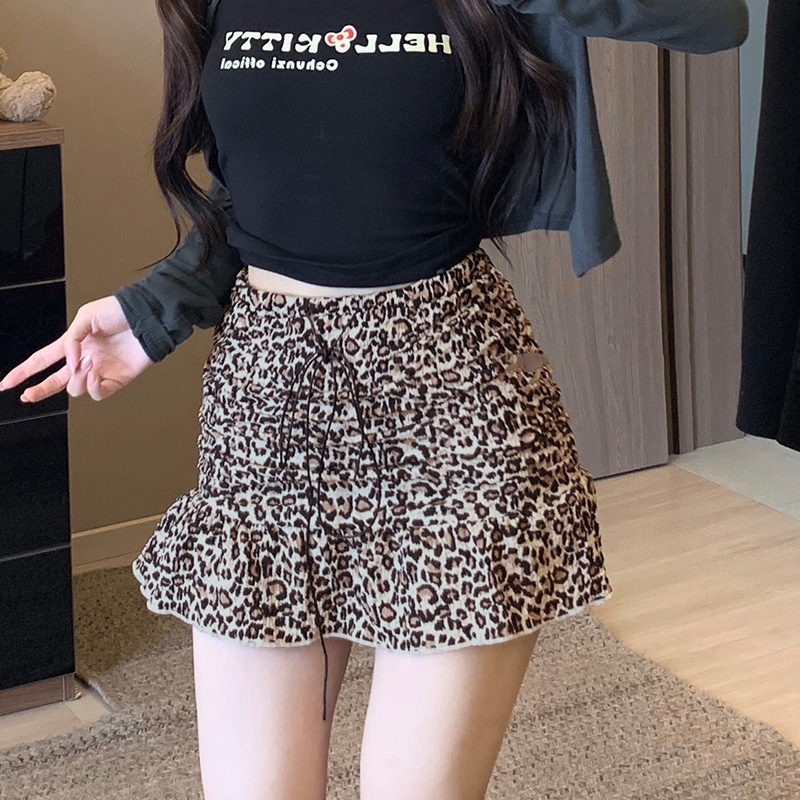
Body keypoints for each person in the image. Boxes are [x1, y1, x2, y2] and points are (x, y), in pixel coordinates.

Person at [0, 1, 747, 798]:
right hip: (267, 406)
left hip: (454, 404)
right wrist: (154, 308)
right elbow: (251, 191)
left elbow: (716, 20)